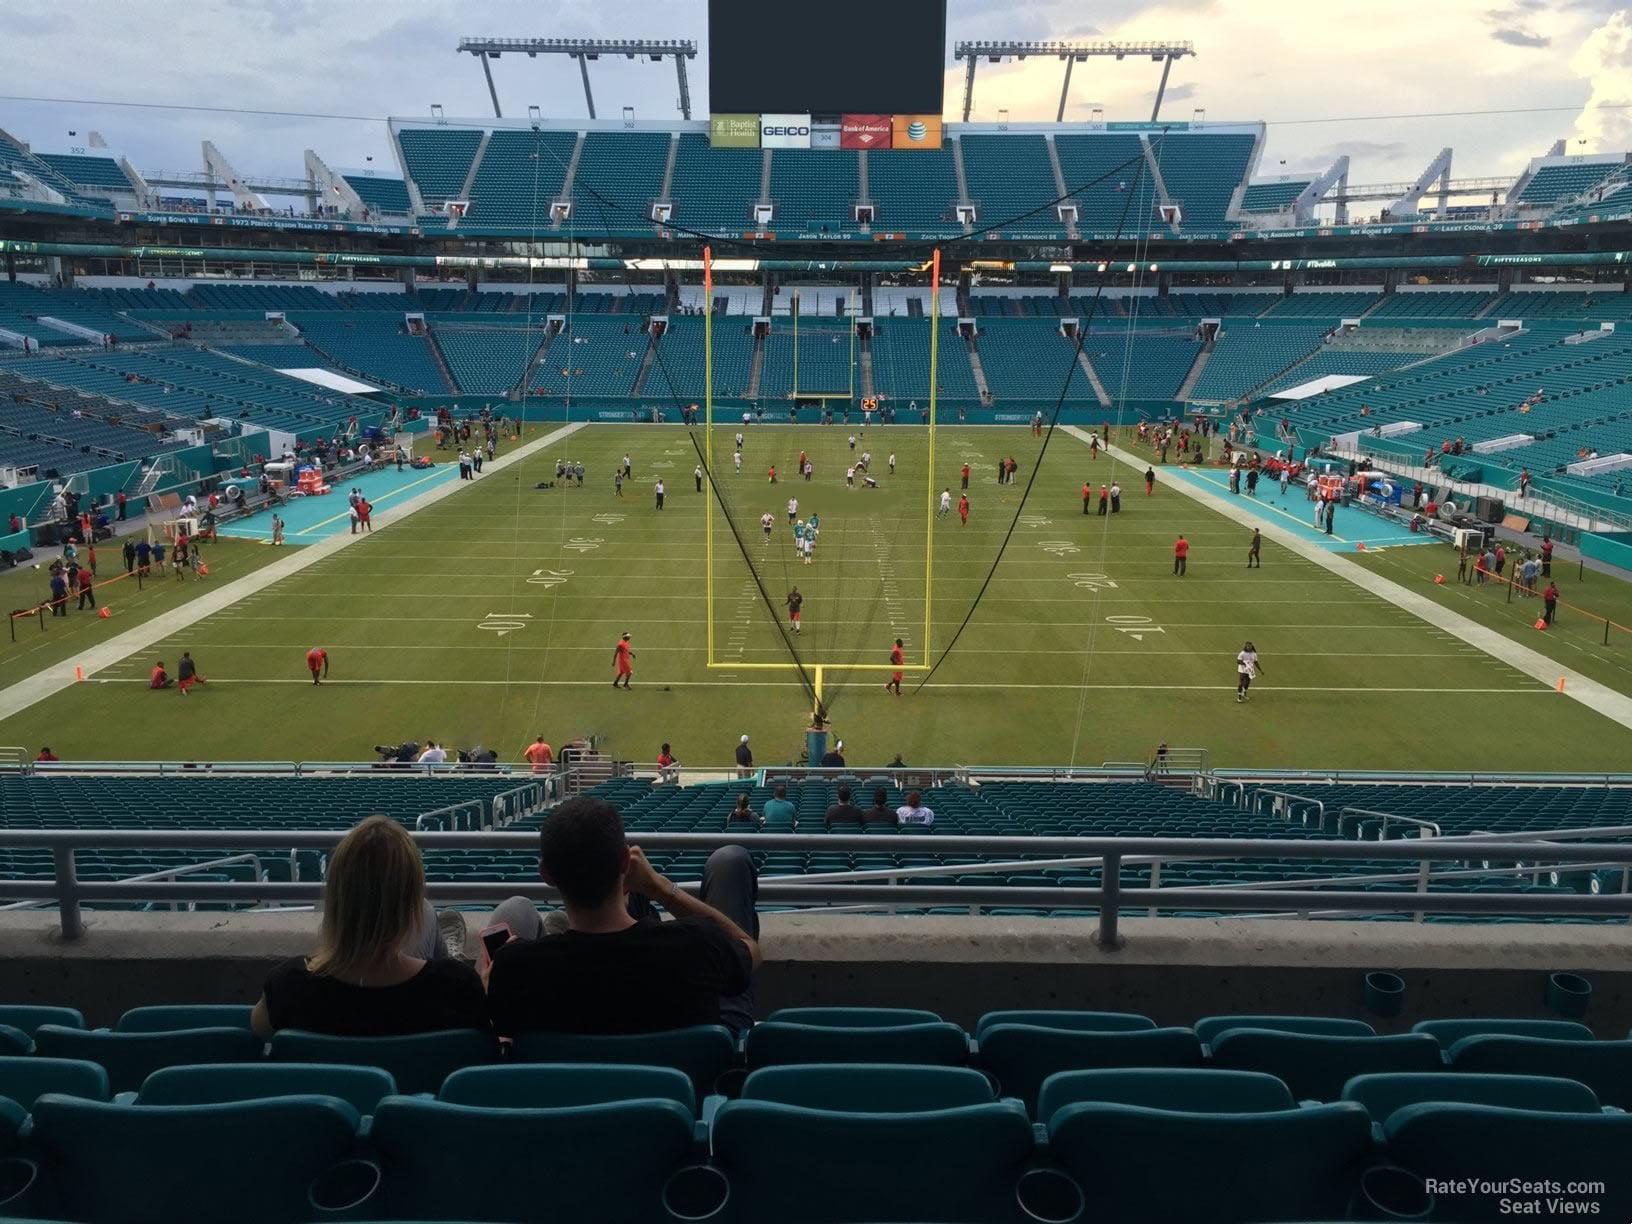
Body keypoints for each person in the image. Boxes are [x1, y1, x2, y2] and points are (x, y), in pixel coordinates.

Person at [484, 797, 760, 1036]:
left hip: (568, 1074)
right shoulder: (699, 943)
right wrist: (662, 889)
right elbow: (751, 950)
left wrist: (489, 989)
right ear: (626, 861)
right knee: (730, 860)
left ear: (546, 875)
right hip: (692, 1072)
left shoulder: (514, 968)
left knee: (515, 907)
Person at [251, 816, 486, 1038]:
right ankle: (453, 956)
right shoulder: (457, 987)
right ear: (411, 908)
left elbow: (258, 1032)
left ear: (336, 901)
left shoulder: (287, 986)